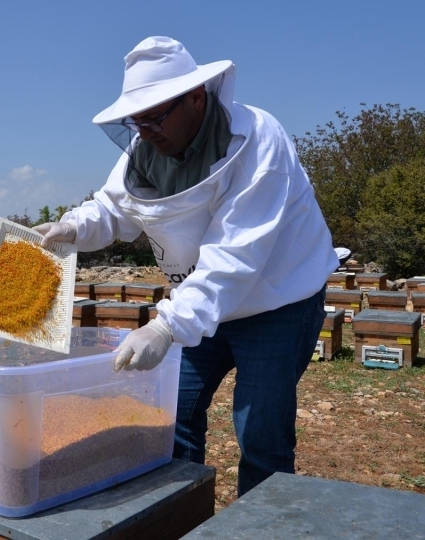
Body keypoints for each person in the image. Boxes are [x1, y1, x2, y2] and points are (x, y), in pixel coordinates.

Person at [33, 36, 339, 496]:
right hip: (202, 303)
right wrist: (73, 226)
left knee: (261, 434)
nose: (145, 132)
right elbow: (115, 208)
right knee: (172, 417)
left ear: (196, 97)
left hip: (279, 303)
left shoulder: (258, 142)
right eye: (136, 121)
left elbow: (233, 258)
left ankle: (258, 526)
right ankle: (180, 516)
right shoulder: (144, 149)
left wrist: (165, 327)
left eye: (154, 117)